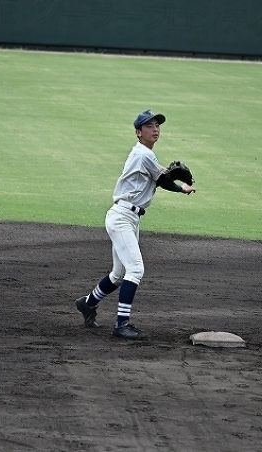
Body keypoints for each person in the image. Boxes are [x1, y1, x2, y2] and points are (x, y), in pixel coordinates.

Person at [75, 109, 196, 339]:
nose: (155, 129)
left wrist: (172, 179)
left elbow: (159, 178)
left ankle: (88, 303)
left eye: (157, 125)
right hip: (122, 217)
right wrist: (182, 187)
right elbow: (163, 180)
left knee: (119, 273)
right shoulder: (143, 154)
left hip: (129, 218)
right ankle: (121, 324)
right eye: (149, 126)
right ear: (138, 132)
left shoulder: (146, 155)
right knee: (136, 269)